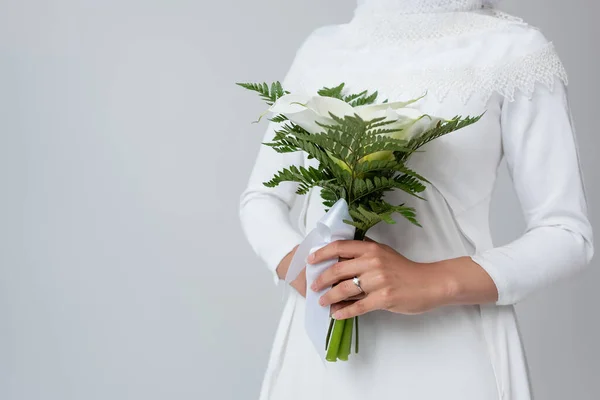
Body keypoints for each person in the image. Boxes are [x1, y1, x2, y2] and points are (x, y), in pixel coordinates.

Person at [239, 1, 594, 399]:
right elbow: (261, 198)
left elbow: (566, 233)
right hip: (319, 352)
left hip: (452, 352)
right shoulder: (321, 49)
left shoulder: (513, 50)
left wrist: (432, 280)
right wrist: (311, 274)